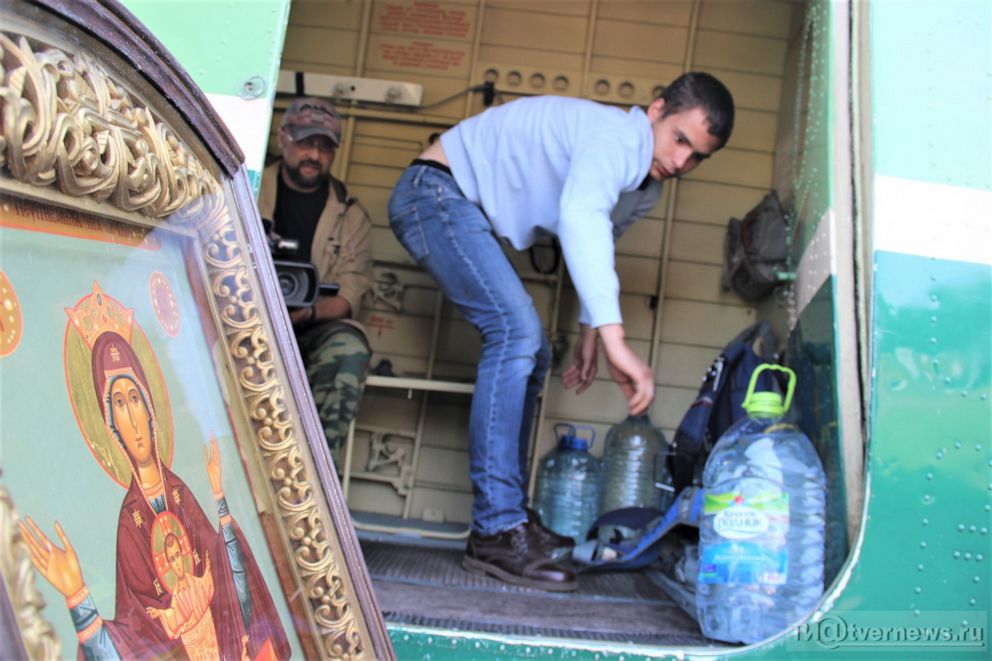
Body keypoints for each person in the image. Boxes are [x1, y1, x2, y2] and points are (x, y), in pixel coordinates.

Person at [387, 72, 735, 591]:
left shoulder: (644, 186)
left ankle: (511, 521)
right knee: (515, 332)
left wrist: (591, 332)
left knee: (532, 352)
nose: (682, 162)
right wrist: (617, 339)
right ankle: (497, 527)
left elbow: (597, 243)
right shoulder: (616, 137)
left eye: (698, 157)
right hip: (434, 193)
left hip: (457, 205)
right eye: (680, 140)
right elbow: (580, 215)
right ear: (656, 109)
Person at [19, 330, 290, 659]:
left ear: (150, 407)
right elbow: (131, 640)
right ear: (110, 425)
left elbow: (236, 595)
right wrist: (78, 597)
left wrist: (219, 498)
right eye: (119, 404)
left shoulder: (180, 493)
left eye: (135, 399)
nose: (132, 418)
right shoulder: (128, 524)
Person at [258, 97, 374, 453]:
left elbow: (350, 294)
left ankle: (317, 475)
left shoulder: (350, 214)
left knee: (348, 348)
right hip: (243, 313)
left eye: (324, 147)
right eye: (306, 142)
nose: (314, 154)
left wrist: (307, 313)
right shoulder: (248, 186)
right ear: (283, 139)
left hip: (311, 327)